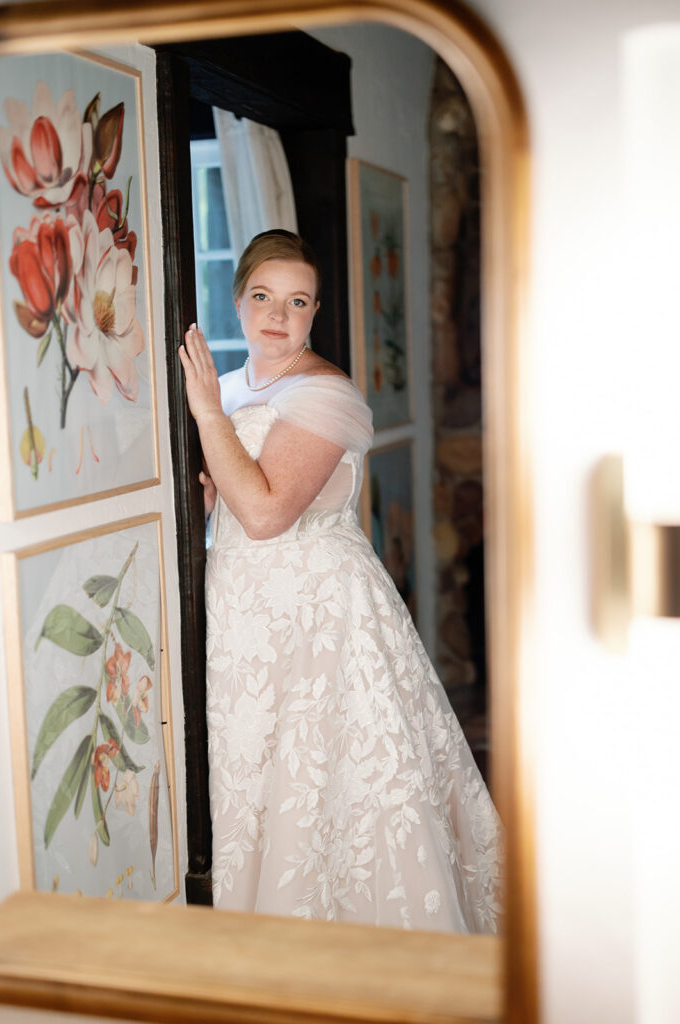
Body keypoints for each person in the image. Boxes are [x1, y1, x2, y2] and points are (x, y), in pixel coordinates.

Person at [178, 229, 502, 933]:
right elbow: (221, 506)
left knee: (330, 786)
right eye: (262, 296)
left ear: (316, 311)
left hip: (322, 619)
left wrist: (205, 415)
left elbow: (265, 513)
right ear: (237, 301)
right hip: (243, 619)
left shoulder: (326, 393)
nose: (277, 314)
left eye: (297, 301)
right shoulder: (226, 389)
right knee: (258, 782)